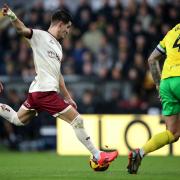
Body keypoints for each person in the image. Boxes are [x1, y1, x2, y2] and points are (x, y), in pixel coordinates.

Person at [0, 4, 118, 165]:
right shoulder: (39, 36)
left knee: (17, 119)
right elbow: (22, 30)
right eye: (67, 27)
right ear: (60, 24)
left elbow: (58, 75)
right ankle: (98, 155)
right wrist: (12, 15)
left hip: (39, 93)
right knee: (77, 120)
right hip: (44, 92)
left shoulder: (58, 47)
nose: (68, 31)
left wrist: (68, 97)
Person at [127, 23, 180, 174]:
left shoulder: (172, 32)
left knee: (173, 133)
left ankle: (140, 153)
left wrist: (158, 84)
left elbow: (152, 59)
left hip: (166, 83)